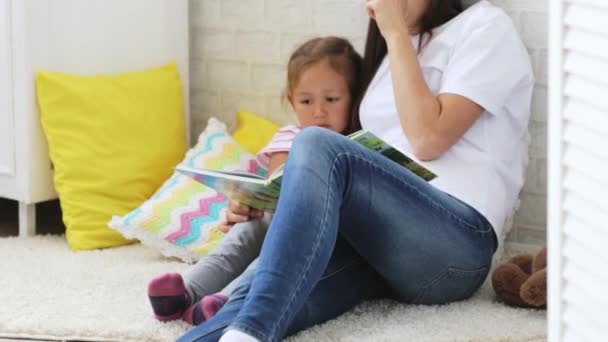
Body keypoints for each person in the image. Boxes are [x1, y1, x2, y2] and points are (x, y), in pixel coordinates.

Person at [179, 0, 534, 341]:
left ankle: (253, 331)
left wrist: (393, 32)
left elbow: (428, 138)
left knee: (315, 143)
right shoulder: (389, 60)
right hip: (383, 248)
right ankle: (245, 330)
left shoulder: (485, 26)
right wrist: (268, 203)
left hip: (455, 243)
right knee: (258, 295)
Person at [147, 36, 363, 326]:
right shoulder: (289, 138)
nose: (319, 111)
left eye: (332, 99)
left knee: (273, 260)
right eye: (306, 100)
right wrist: (248, 201)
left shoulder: (357, 146)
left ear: (354, 96)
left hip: (315, 237)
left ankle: (226, 302)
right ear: (291, 100)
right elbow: (279, 184)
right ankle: (185, 293)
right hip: (274, 220)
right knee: (242, 237)